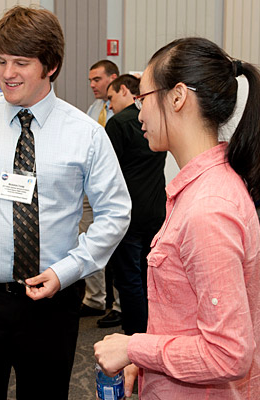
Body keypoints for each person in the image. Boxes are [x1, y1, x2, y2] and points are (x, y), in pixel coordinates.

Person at [0, 6, 131, 399]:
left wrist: (69, 269)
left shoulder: (85, 134)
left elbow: (115, 213)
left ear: (50, 65)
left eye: (21, 62)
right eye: (1, 60)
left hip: (52, 302)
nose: (7, 73)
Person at [94, 37, 260, 399]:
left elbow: (228, 354)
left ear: (177, 97)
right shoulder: (202, 189)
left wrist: (134, 348)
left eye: (143, 98)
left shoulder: (208, 208)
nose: (138, 112)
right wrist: (148, 361)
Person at [104, 74, 166, 335]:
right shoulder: (157, 123)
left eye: (110, 97)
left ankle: (134, 339)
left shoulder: (117, 124)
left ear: (124, 90)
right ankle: (151, 333)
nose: (109, 104)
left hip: (127, 215)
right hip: (156, 211)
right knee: (148, 278)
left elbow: (106, 172)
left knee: (128, 280)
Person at [81, 59, 123, 329]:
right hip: (88, 184)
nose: (93, 85)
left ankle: (120, 304)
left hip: (113, 185)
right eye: (90, 81)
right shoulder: (94, 109)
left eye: (97, 79)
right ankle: (95, 298)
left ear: (113, 78)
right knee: (86, 238)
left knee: (118, 244)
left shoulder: (128, 110)